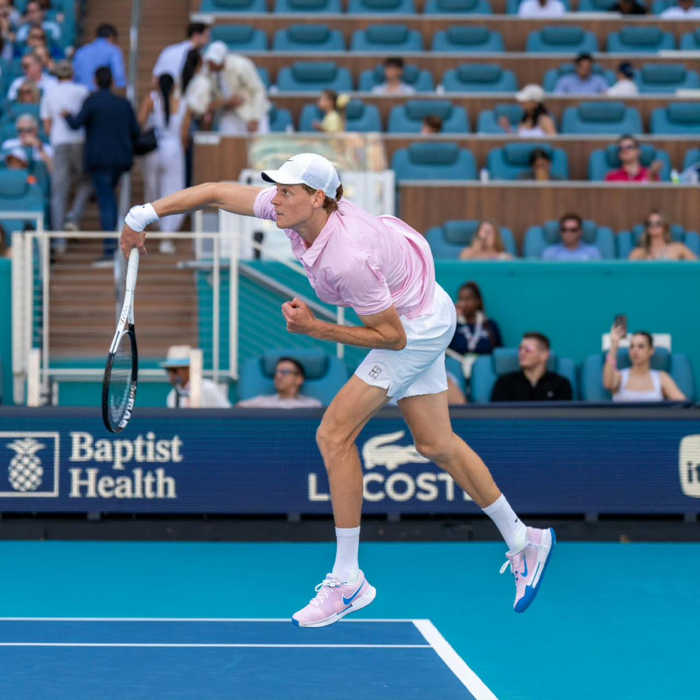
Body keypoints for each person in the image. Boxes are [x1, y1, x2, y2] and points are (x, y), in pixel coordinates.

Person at [120, 152, 557, 626]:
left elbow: (393, 338)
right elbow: (216, 192)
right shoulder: (297, 211)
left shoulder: (348, 259)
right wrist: (141, 216)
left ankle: (348, 579)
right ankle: (524, 539)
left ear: (317, 199)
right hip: (425, 302)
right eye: (277, 189)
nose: (275, 199)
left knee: (333, 435)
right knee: (435, 443)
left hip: (414, 326)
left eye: (287, 191)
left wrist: (316, 329)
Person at [65, 66, 140, 265]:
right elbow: (135, 131)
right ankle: (116, 244)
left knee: (106, 203)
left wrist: (66, 115)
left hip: (100, 161)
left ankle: (110, 250)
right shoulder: (124, 103)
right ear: (113, 82)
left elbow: (75, 124)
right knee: (110, 201)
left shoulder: (92, 101)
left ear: (95, 81)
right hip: (121, 161)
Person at [138, 73, 190, 254]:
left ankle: (155, 222)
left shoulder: (151, 100)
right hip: (174, 149)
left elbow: (140, 123)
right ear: (175, 87)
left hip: (154, 149)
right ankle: (167, 235)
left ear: (158, 86)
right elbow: (184, 135)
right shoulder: (183, 104)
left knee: (153, 188)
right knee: (173, 191)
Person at [41, 60, 91, 234]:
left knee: (58, 193)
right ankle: (73, 217)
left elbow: (47, 128)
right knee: (88, 180)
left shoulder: (49, 93)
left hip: (59, 142)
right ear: (72, 74)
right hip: (79, 142)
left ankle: (58, 240)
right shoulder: (82, 91)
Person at [185, 41, 270, 136]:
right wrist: (222, 103)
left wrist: (255, 118)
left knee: (258, 143)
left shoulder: (241, 66)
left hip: (250, 110)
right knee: (227, 142)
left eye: (214, 62)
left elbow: (258, 90)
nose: (211, 64)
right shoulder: (207, 73)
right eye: (209, 61)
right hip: (228, 112)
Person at [604, 326, 685, 401]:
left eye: (641, 346)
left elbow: (682, 403)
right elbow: (608, 384)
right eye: (632, 346)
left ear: (651, 350)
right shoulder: (620, 376)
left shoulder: (661, 378)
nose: (635, 351)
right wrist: (614, 345)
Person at [491, 333, 573, 401]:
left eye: (528, 350)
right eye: (520, 349)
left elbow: (564, 414)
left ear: (544, 355)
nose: (521, 353)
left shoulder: (561, 384)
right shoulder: (505, 383)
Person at [448, 281, 503, 379]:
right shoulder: (453, 325)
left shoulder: (490, 326)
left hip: (485, 375)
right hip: (456, 375)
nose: (463, 303)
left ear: (478, 301)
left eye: (468, 299)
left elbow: (499, 354)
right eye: (461, 299)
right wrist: (452, 317)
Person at [236, 357, 324, 409]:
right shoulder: (261, 402)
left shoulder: (313, 405)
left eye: (284, 372)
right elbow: (237, 410)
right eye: (276, 372)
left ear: (299, 379)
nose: (277, 376)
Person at [162, 345, 232, 408]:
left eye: (174, 370)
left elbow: (226, 412)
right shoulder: (172, 396)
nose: (171, 374)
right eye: (168, 369)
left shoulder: (209, 389)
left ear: (189, 369)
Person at [72, 24, 126, 92]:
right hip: (101, 92)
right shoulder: (113, 51)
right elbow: (119, 75)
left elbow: (74, 74)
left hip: (81, 92)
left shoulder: (81, 51)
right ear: (111, 37)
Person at [629, 209, 698, 261]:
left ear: (665, 226)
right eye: (649, 223)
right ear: (646, 227)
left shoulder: (677, 248)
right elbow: (627, 272)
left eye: (658, 223)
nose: (653, 226)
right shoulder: (638, 252)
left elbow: (696, 266)